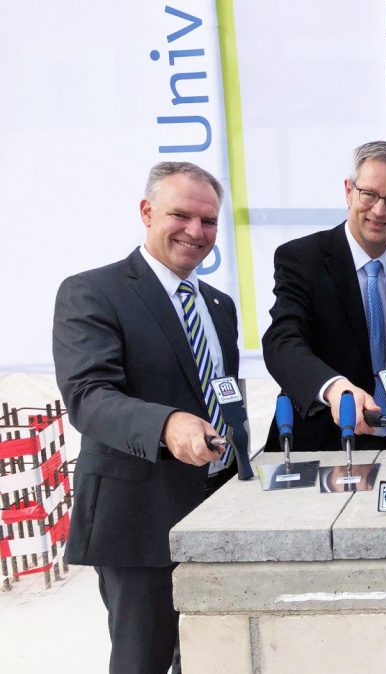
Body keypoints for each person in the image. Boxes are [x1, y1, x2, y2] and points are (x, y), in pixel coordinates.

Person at [53, 162, 244, 674]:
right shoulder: (92, 291)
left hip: (215, 512)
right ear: (146, 211)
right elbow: (88, 396)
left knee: (210, 656)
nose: (195, 232)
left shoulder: (219, 306)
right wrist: (167, 425)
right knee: (144, 661)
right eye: (180, 215)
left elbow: (220, 394)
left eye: (208, 222)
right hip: (137, 520)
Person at [262, 141, 386, 452]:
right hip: (321, 447)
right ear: (349, 191)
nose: (379, 209)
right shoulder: (302, 259)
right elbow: (282, 341)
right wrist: (335, 389)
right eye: (369, 194)